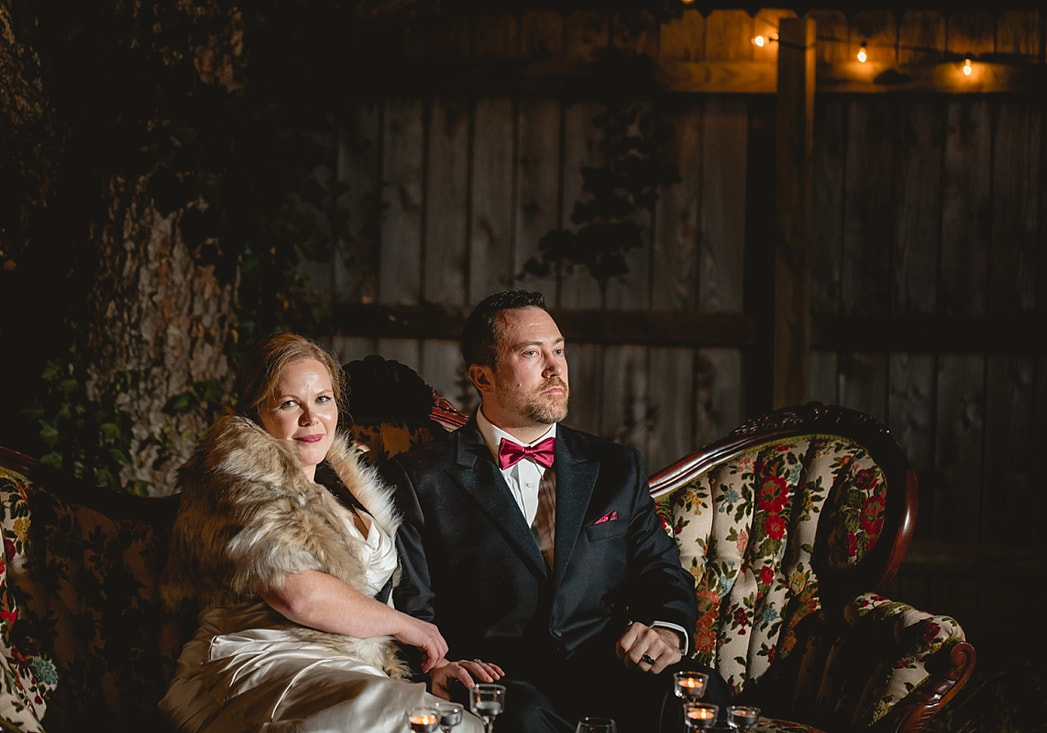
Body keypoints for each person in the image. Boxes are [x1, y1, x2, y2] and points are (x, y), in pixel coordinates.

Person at [384, 290, 736, 733]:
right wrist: (435, 666)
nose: (556, 369)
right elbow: (412, 602)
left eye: (559, 350)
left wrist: (665, 630)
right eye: (532, 353)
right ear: (483, 377)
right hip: (500, 681)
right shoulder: (420, 479)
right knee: (521, 717)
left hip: (608, 672)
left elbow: (660, 569)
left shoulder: (614, 466)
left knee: (698, 689)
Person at [158, 332, 486, 732]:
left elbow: (367, 605)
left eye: (322, 399)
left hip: (352, 667)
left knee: (451, 723)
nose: (311, 419)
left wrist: (429, 668)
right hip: (269, 659)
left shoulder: (344, 487)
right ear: (257, 411)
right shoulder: (239, 478)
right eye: (289, 403)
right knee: (391, 719)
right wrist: (406, 625)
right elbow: (297, 593)